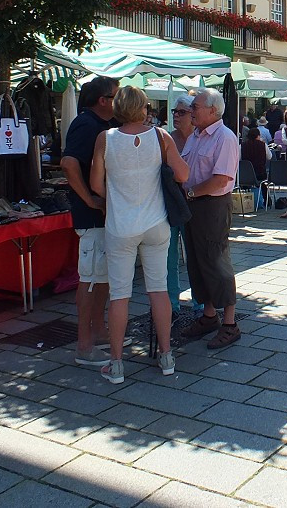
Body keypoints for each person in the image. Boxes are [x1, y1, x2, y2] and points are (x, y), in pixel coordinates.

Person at [90, 86, 189, 384]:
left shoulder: (105, 139)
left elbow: (96, 184)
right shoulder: (161, 137)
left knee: (120, 294)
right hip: (156, 223)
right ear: (144, 108)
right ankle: (167, 355)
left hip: (120, 225)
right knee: (158, 290)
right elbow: (183, 175)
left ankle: (117, 363)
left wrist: (116, 196)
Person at [61, 75, 120, 367]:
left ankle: (98, 332)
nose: (119, 101)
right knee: (90, 280)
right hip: (92, 217)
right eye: (116, 96)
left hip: (104, 216)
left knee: (103, 279)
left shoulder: (105, 125)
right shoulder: (86, 124)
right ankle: (84, 344)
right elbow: (69, 164)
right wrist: (90, 200)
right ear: (103, 100)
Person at [180, 88, 242, 350]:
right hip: (193, 204)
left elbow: (221, 179)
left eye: (195, 107)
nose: (191, 111)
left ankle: (230, 323)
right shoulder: (195, 136)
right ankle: (208, 316)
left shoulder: (224, 137)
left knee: (217, 261)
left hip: (212, 205)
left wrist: (191, 192)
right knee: (196, 261)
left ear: (213, 110)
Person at [167, 94, 196, 313]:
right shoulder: (167, 138)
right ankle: (171, 304)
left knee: (195, 256)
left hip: (195, 202)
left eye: (181, 112)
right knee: (169, 257)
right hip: (169, 203)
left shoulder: (200, 138)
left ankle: (200, 302)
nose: (176, 116)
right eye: (175, 112)